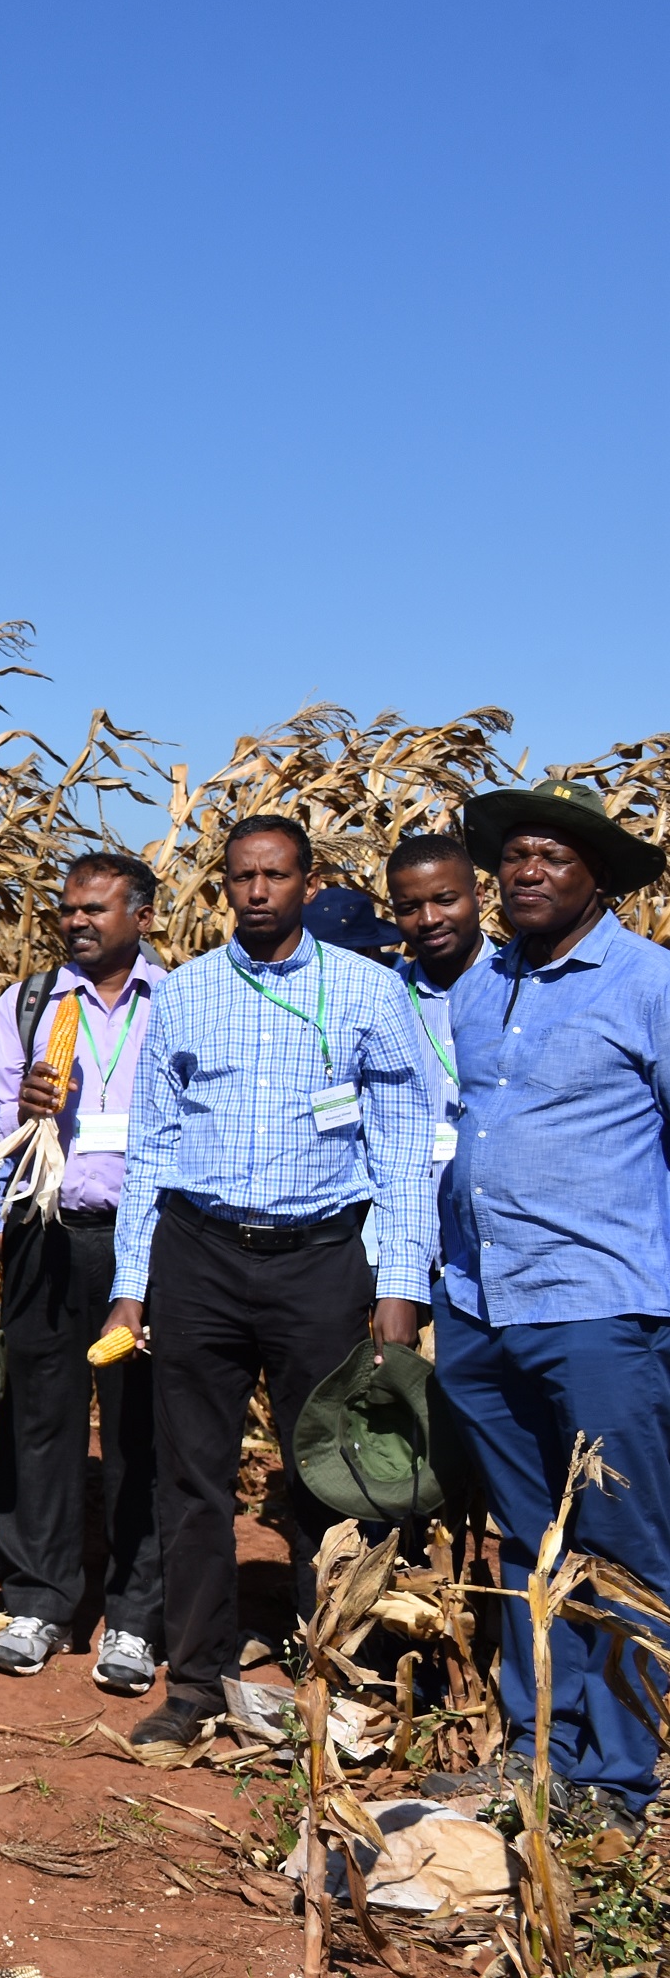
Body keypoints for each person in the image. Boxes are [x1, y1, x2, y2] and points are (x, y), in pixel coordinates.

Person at [104, 814, 433, 1747]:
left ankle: (337, 1671)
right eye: (241, 876)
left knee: (332, 1477)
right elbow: (152, 1149)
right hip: (198, 1253)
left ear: (304, 880)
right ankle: (198, 1680)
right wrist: (135, 1283)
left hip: (322, 1261)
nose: (257, 892)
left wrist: (397, 1286)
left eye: (275, 876)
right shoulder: (189, 992)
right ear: (224, 886)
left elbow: (403, 1148)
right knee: (191, 1476)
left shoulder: (367, 992)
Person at [427, 779, 670, 1831]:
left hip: (601, 1306)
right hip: (483, 1301)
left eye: (552, 857)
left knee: (617, 1547)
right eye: (513, 856)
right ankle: (539, 1756)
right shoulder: (487, 987)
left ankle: (619, 1779)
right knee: (534, 1542)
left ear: (599, 879)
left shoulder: (649, 982)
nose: (524, 871)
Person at [0, 851, 169, 1694]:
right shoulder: (25, 1005)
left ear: (145, 916)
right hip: (46, 1230)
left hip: (148, 1240)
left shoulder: (182, 1005)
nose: (78, 922)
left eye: (96, 908)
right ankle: (38, 1599)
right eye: (67, 910)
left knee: (142, 1434)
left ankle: (134, 1616)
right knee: (39, 1421)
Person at [383, 830, 485, 1226]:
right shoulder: (383, 1002)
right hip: (414, 1240)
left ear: (479, 896)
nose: (428, 920)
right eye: (409, 907)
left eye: (445, 900)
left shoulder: (528, 988)